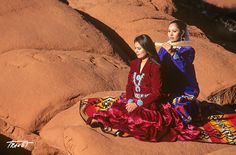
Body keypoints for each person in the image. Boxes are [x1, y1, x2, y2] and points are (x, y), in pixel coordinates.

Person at [80, 34, 200, 142]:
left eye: (139, 48)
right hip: (133, 100)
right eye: (135, 48)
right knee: (115, 110)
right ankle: (118, 127)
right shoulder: (134, 63)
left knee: (137, 119)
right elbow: (129, 85)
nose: (136, 51)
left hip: (149, 104)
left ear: (147, 49)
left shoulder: (155, 67)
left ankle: (124, 130)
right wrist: (131, 100)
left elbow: (156, 92)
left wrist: (137, 104)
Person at [157, 20, 200, 124]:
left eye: (174, 31)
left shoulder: (188, 50)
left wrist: (172, 52)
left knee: (178, 106)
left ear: (182, 33)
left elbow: (184, 67)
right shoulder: (163, 48)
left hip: (183, 87)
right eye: (169, 31)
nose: (171, 34)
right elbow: (158, 64)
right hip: (167, 85)